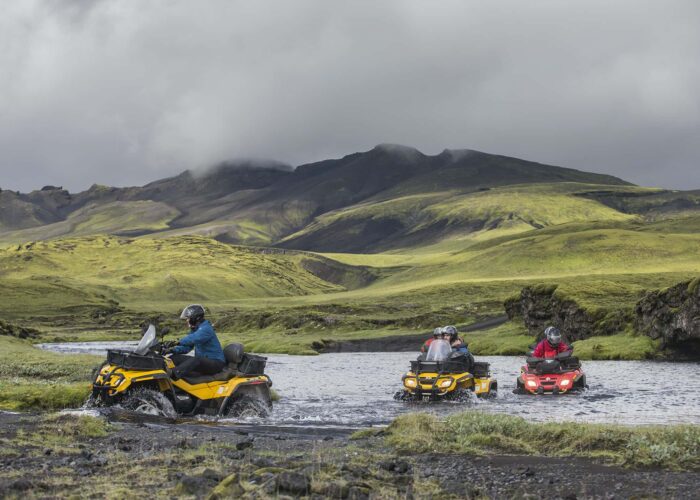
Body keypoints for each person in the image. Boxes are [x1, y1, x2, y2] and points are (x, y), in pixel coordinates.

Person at [169, 304, 226, 380]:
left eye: (188, 318)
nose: (187, 320)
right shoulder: (196, 329)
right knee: (174, 358)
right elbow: (187, 347)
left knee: (197, 359)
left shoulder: (206, 329)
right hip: (204, 362)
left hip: (216, 363)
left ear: (195, 318)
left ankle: (173, 374)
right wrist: (171, 350)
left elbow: (194, 338)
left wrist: (177, 342)